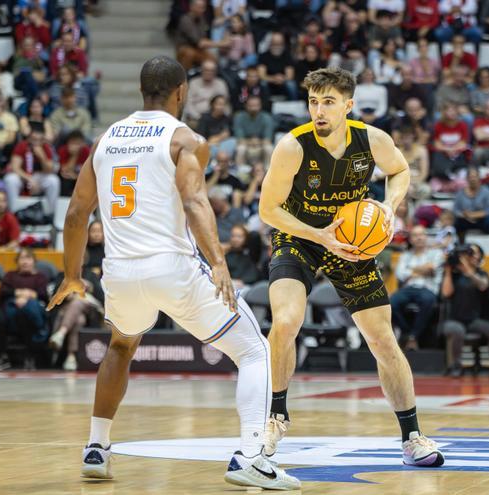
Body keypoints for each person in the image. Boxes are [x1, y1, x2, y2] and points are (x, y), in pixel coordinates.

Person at [46, 56, 300, 489]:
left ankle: (96, 447)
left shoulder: (105, 138)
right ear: (181, 91)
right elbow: (195, 202)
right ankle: (252, 457)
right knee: (255, 350)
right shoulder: (185, 139)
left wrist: (72, 274)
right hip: (172, 267)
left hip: (120, 272)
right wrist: (219, 262)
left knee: (121, 346)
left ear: (142, 91)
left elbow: (75, 214)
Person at [260, 67, 444, 466]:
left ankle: (412, 437)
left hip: (352, 241)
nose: (319, 110)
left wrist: (388, 207)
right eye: (313, 102)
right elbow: (268, 209)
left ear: (348, 105)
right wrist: (320, 235)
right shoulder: (293, 146)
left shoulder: (371, 140)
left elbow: (400, 170)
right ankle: (275, 416)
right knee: (286, 321)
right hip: (302, 236)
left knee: (381, 339)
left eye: (328, 102)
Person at [440, 243, 489, 376]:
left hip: (474, 320)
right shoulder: (454, 274)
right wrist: (448, 271)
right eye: (468, 254)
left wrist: (468, 272)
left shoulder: (481, 273)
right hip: (454, 319)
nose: (470, 257)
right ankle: (456, 366)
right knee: (457, 330)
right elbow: (446, 293)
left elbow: (483, 286)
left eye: (472, 254)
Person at [390, 225, 445, 350]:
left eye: (421, 234)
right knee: (391, 303)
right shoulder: (405, 255)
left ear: (426, 237)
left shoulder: (436, 253)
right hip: (408, 289)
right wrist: (423, 269)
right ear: (410, 239)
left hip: (427, 288)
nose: (419, 238)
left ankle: (413, 336)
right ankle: (408, 334)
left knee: (428, 300)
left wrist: (411, 269)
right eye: (415, 235)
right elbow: (400, 274)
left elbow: (432, 267)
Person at [0, 248, 49, 370]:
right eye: (22, 258)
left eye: (28, 258)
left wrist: (28, 297)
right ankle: (2, 356)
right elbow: (3, 292)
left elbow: (44, 295)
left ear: (34, 261)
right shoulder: (10, 275)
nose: (25, 262)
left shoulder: (40, 277)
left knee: (28, 310)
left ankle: (30, 355)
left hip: (33, 309)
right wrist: (20, 293)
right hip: (12, 307)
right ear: (17, 261)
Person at [4, 122, 60, 215]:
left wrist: (42, 156)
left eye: (39, 140)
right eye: (34, 139)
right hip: (23, 176)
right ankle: (13, 213)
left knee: (53, 180)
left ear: (43, 140)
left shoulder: (46, 147)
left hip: (39, 177)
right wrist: (29, 179)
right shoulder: (22, 145)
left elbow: (50, 170)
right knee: (10, 179)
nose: (36, 143)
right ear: (29, 138)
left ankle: (50, 214)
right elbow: (15, 167)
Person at [233, 96, 274, 168]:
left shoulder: (267, 117)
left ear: (260, 106)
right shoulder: (239, 117)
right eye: (251, 106)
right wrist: (251, 142)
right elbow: (240, 139)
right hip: (246, 144)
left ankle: (268, 170)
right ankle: (241, 172)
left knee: (269, 148)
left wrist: (257, 142)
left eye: (256, 105)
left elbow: (268, 140)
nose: (253, 108)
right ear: (245, 106)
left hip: (261, 144)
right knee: (240, 149)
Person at [57, 130, 90, 196]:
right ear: (68, 143)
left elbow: (87, 172)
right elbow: (65, 171)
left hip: (79, 177)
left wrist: (75, 176)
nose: (75, 146)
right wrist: (74, 156)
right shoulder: (63, 150)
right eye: (73, 143)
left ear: (82, 143)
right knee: (65, 181)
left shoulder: (86, 151)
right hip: (65, 178)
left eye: (78, 143)